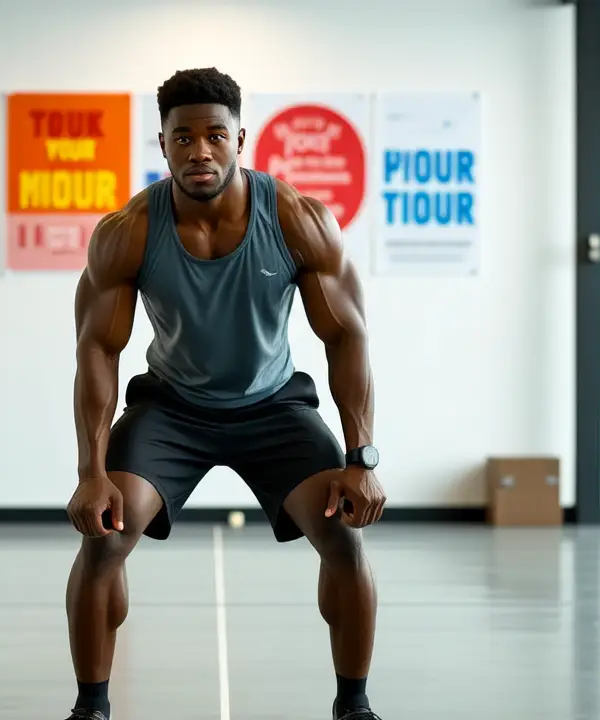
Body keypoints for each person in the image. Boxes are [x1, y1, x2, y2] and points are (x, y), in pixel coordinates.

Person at [63, 67, 386, 720]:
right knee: (104, 536)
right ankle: (91, 707)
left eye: (215, 135)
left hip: (274, 408)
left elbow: (346, 337)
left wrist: (362, 460)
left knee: (343, 538)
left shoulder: (298, 221)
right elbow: (98, 349)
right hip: (171, 410)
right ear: (163, 145)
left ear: (242, 138)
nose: (200, 151)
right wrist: (90, 474)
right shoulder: (127, 232)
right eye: (183, 139)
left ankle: (353, 705)